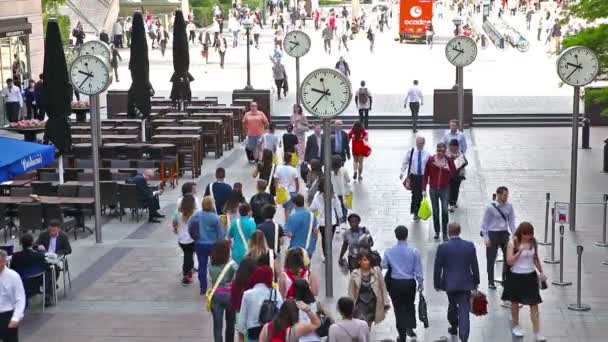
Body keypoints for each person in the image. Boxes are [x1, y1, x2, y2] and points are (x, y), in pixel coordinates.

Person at [433, 223, 480, 342]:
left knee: (452, 304)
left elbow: (437, 267)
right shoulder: (469, 246)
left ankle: (454, 326)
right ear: (459, 231)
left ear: (449, 232)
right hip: (465, 284)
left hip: (450, 284)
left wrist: (437, 284)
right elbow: (474, 265)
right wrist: (476, 281)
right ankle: (464, 337)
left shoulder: (443, 247)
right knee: (464, 309)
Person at [502, 222, 546, 341]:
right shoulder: (513, 243)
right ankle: (516, 324)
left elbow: (535, 258)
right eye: (526, 234)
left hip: (530, 276)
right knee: (515, 302)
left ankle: (537, 331)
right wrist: (520, 251)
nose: (528, 237)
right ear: (521, 233)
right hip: (516, 276)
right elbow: (510, 261)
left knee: (534, 303)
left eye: (530, 234)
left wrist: (541, 272)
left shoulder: (533, 242)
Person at [381, 226, 423, 341]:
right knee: (409, 305)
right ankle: (410, 327)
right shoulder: (414, 251)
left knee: (398, 309)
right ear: (407, 235)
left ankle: (402, 334)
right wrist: (420, 283)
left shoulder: (389, 251)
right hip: (409, 283)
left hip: (395, 284)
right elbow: (418, 270)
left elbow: (383, 265)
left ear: (396, 236)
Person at [481, 186, 516, 290]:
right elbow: (484, 224)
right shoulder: (490, 207)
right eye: (504, 195)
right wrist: (486, 238)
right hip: (493, 234)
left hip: (504, 234)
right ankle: (490, 281)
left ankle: (506, 280)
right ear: (499, 195)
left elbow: (511, 222)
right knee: (491, 259)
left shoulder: (509, 206)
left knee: (508, 258)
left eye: (507, 195)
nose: (506, 197)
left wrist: (515, 236)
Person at [188, 196, 225, 294]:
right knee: (215, 265)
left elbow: (190, 227)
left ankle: (203, 288)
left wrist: (194, 237)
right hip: (213, 245)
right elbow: (220, 235)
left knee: (202, 266)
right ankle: (215, 286)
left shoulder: (197, 215)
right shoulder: (215, 218)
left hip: (200, 244)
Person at [238, 266, 284, 342]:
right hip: (271, 332)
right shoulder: (276, 293)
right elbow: (282, 314)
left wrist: (241, 337)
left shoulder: (247, 294)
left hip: (253, 333)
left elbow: (242, 320)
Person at [422, 143, 456, 241]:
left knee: (445, 210)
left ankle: (445, 232)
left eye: (442, 151)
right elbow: (425, 175)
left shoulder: (448, 160)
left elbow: (453, 173)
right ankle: (437, 231)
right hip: (433, 189)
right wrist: (424, 188)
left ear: (445, 151)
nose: (440, 153)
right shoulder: (431, 160)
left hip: (444, 188)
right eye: (439, 151)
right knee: (435, 211)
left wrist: (448, 169)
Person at [349, 251, 390, 329]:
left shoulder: (376, 271)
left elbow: (382, 286)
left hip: (372, 304)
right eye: (364, 260)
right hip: (360, 304)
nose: (367, 262)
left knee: (368, 325)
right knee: (360, 325)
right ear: (359, 261)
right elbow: (351, 291)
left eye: (368, 260)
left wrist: (385, 302)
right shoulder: (354, 274)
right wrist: (349, 307)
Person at [207, 241, 238, 342]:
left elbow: (210, 277)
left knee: (217, 326)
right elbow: (238, 274)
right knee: (230, 324)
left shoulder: (211, 263)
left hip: (216, 295)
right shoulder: (231, 264)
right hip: (230, 295)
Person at [10, 234, 52, 305]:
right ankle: (47, 295)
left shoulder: (15, 256)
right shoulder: (39, 255)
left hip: (22, 281)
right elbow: (46, 267)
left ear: (21, 243)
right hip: (37, 281)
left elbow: (12, 269)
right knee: (49, 272)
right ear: (32, 243)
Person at [309, 177, 343, 261]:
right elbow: (338, 207)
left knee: (325, 238)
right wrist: (340, 216)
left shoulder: (318, 195)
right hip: (331, 221)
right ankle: (326, 253)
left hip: (323, 221)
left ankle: (325, 254)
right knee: (328, 238)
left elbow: (313, 207)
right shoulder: (333, 196)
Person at [400, 136, 431, 221]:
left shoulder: (427, 154)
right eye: (418, 143)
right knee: (415, 194)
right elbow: (405, 161)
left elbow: (430, 166)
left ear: (424, 144)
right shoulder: (411, 151)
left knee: (421, 194)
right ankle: (415, 212)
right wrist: (402, 172)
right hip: (414, 176)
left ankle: (419, 211)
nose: (419, 145)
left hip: (422, 177)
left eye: (421, 143)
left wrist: (430, 177)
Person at [0, 249, 26, 342]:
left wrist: (16, 317)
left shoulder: (13, 276)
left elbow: (20, 298)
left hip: (7, 315)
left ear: (4, 261)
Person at [172, 194, 196, 285]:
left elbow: (174, 223)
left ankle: (190, 270)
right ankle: (186, 276)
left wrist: (176, 229)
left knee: (188, 255)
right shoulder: (193, 214)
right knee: (188, 256)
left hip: (181, 238)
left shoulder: (177, 213)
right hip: (191, 239)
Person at [274, 152, 300, 219]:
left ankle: (287, 224)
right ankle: (289, 224)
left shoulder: (279, 168)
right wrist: (297, 191)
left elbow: (276, 181)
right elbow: (297, 182)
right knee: (290, 209)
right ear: (291, 159)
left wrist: (277, 190)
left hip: (283, 191)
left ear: (284, 159)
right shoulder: (294, 169)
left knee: (286, 210)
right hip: (292, 191)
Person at [446, 140, 468, 212]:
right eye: (452, 147)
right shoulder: (446, 154)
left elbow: (466, 162)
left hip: (458, 174)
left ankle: (454, 201)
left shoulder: (460, 153)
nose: (454, 149)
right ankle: (450, 204)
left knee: (456, 189)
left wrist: (460, 162)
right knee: (450, 189)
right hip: (449, 174)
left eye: (455, 147)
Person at [330, 155, 350, 221]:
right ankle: (343, 218)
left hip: (335, 193)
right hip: (343, 192)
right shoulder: (344, 170)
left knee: (336, 206)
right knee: (344, 206)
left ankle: (338, 218)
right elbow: (348, 180)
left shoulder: (330, 172)